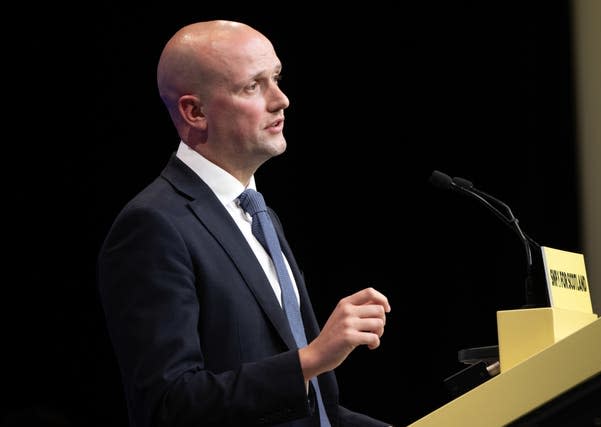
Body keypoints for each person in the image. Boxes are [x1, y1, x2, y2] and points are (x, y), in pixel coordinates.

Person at [97, 19, 392, 427]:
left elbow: (317, 413)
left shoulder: (258, 213)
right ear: (194, 111)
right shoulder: (153, 227)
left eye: (276, 78)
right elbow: (169, 406)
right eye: (253, 86)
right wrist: (310, 359)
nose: (281, 100)